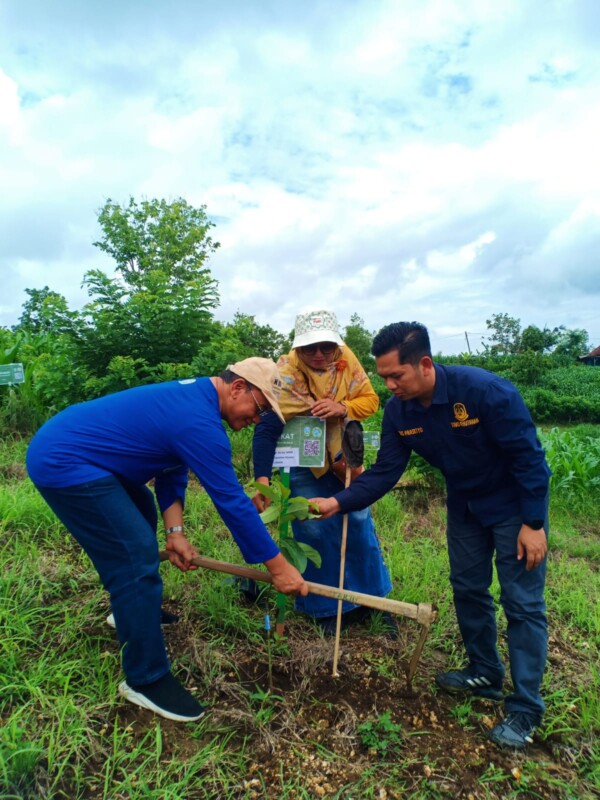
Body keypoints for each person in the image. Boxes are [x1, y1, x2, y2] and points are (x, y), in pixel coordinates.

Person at [27, 358, 308, 723]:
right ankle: (145, 679)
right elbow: (232, 503)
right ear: (238, 387)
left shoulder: (195, 401)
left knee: (140, 507)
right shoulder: (199, 422)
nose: (257, 420)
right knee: (135, 556)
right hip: (65, 460)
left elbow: (171, 469)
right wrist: (280, 567)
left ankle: (134, 610)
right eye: (259, 409)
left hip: (88, 456)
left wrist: (176, 534)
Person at [311, 322, 550, 751]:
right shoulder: (399, 413)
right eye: (383, 376)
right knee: (468, 588)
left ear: (424, 364)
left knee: (522, 603)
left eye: (395, 375)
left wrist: (533, 524)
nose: (388, 386)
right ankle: (485, 671)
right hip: (465, 506)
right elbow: (386, 472)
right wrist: (338, 502)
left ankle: (526, 707)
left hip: (514, 506)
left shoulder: (485, 392)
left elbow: (529, 459)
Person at [252, 310, 394, 635]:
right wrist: (262, 478)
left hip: (344, 454)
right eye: (309, 347)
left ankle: (372, 602)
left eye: (326, 347)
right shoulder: (285, 373)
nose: (318, 354)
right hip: (302, 458)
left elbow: (370, 400)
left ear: (336, 345)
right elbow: (267, 427)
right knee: (313, 528)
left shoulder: (347, 361)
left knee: (358, 522)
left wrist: (343, 408)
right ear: (297, 348)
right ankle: (327, 607)